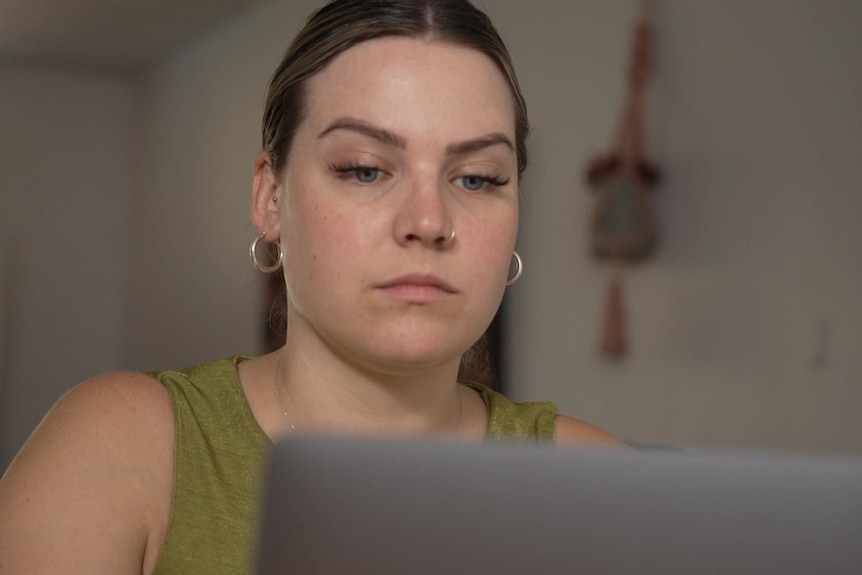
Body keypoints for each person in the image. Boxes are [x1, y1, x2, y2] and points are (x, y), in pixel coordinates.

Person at [0, 0, 621, 573]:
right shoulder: (128, 444)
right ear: (271, 199)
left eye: (478, 179)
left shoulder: (591, 480)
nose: (429, 222)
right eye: (365, 169)